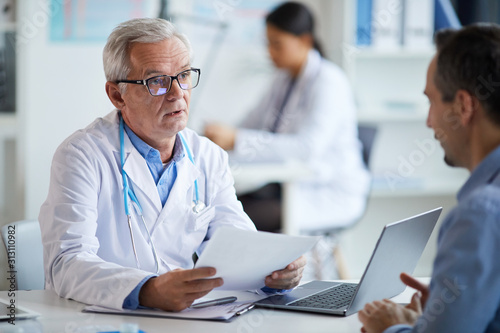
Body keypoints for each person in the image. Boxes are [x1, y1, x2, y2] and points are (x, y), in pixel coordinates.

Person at [38, 17, 305, 312]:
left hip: (183, 318)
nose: (178, 93)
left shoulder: (208, 157)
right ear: (117, 95)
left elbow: (238, 246)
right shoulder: (81, 156)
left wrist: (274, 273)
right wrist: (146, 290)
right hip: (101, 320)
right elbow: (66, 264)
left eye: (184, 76)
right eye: (157, 81)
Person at [358, 24, 500, 332]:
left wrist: (390, 327)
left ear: (463, 106)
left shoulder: (481, 215)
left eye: (431, 101)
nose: (428, 121)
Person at [204, 2, 370, 234]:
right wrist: (221, 137)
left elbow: (306, 148)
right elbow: (252, 123)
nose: (269, 52)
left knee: (230, 221)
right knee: (216, 207)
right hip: (283, 186)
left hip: (327, 192)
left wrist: (237, 140)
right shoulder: (283, 80)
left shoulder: (329, 81)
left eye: (277, 44)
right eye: (268, 44)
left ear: (304, 41)